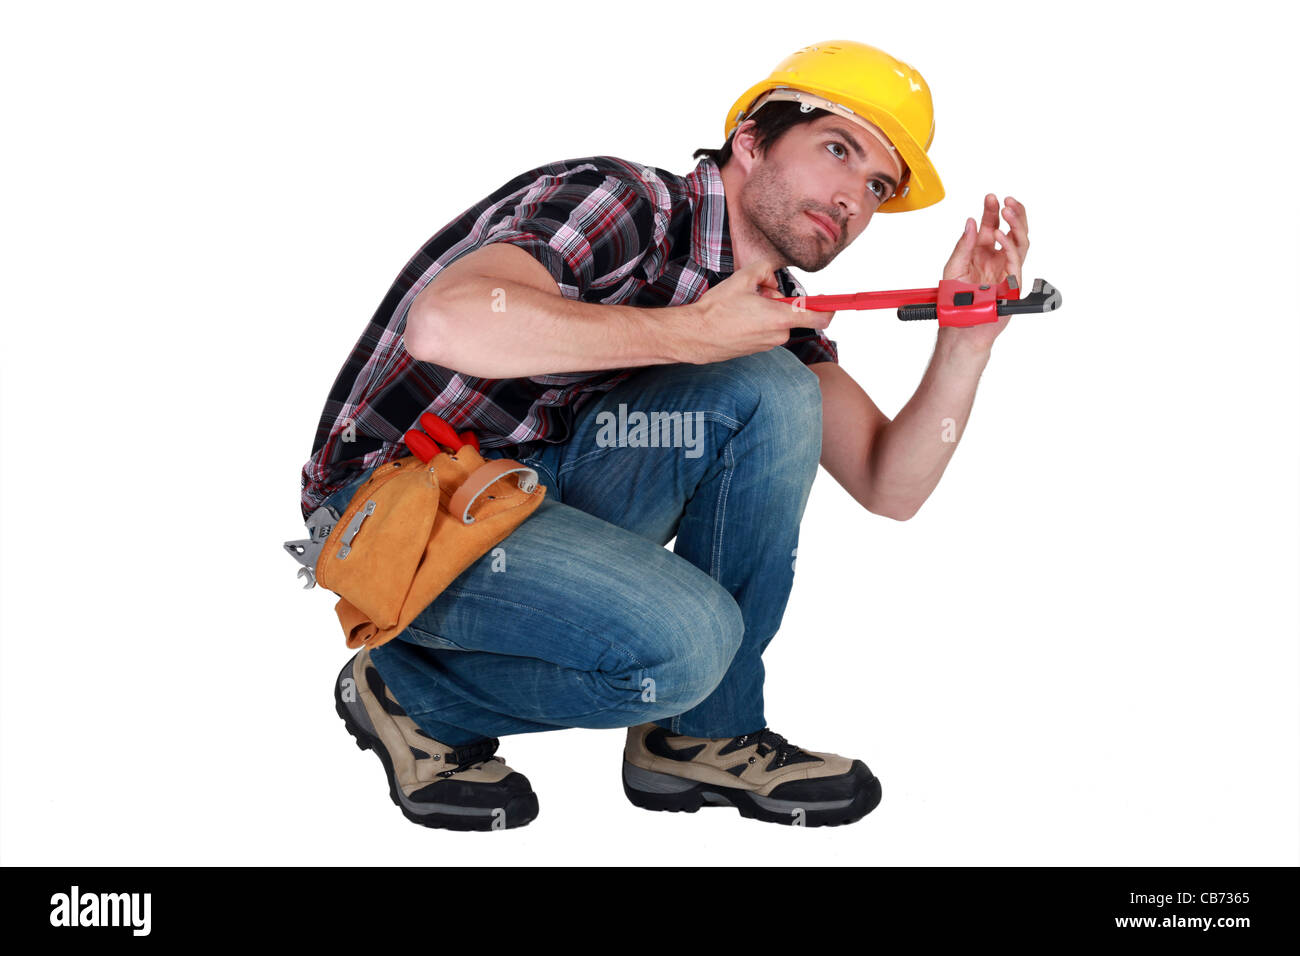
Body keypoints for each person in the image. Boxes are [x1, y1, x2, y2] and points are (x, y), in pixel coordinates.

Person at [299, 39, 1030, 830]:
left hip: (531, 501)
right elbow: (445, 324)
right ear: (751, 137)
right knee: (688, 647)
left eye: (877, 185)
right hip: (395, 514)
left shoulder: (769, 314)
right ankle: (406, 690)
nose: (855, 196)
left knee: (775, 388)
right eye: (837, 149)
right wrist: (690, 333)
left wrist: (965, 346)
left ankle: (697, 737)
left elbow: (892, 485)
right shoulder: (626, 202)